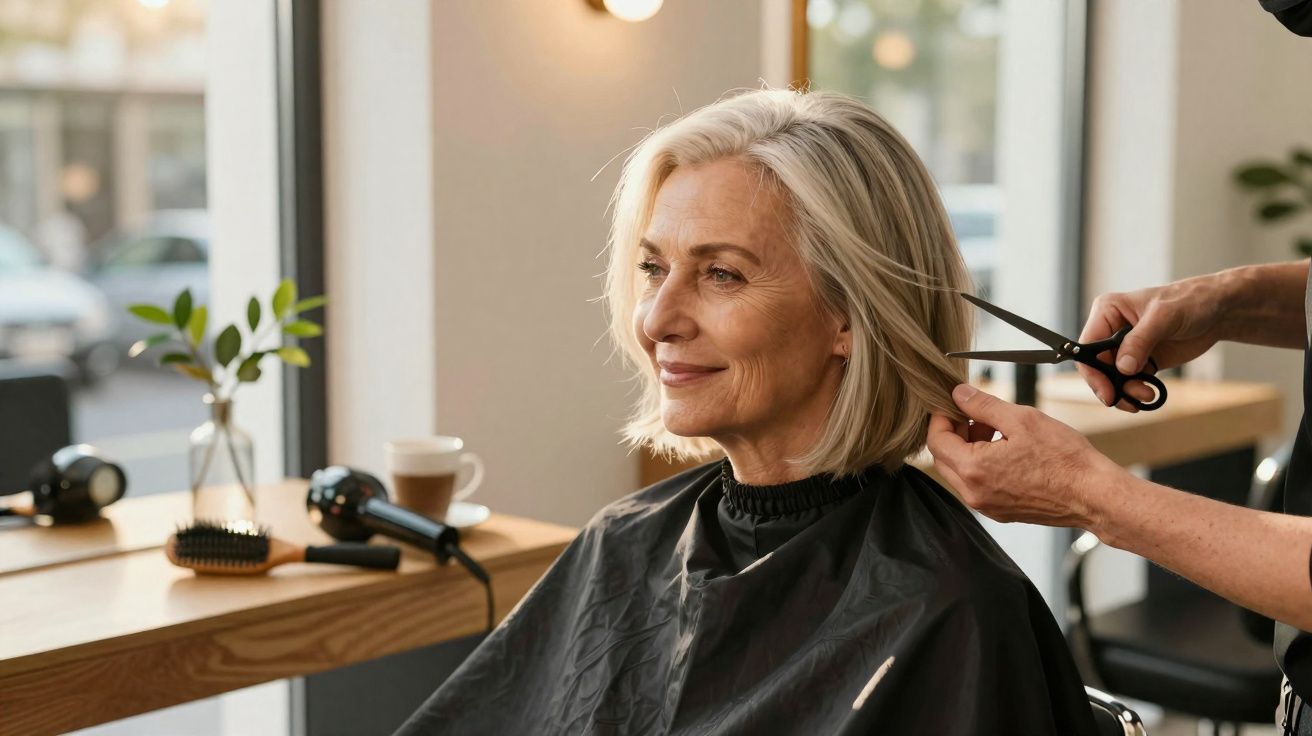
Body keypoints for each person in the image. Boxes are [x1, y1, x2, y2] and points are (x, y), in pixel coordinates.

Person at [396, 89, 1098, 735]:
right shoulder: (624, 541)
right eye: (652, 268)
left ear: (850, 317)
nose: (657, 320)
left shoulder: (951, 610)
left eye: (721, 274)